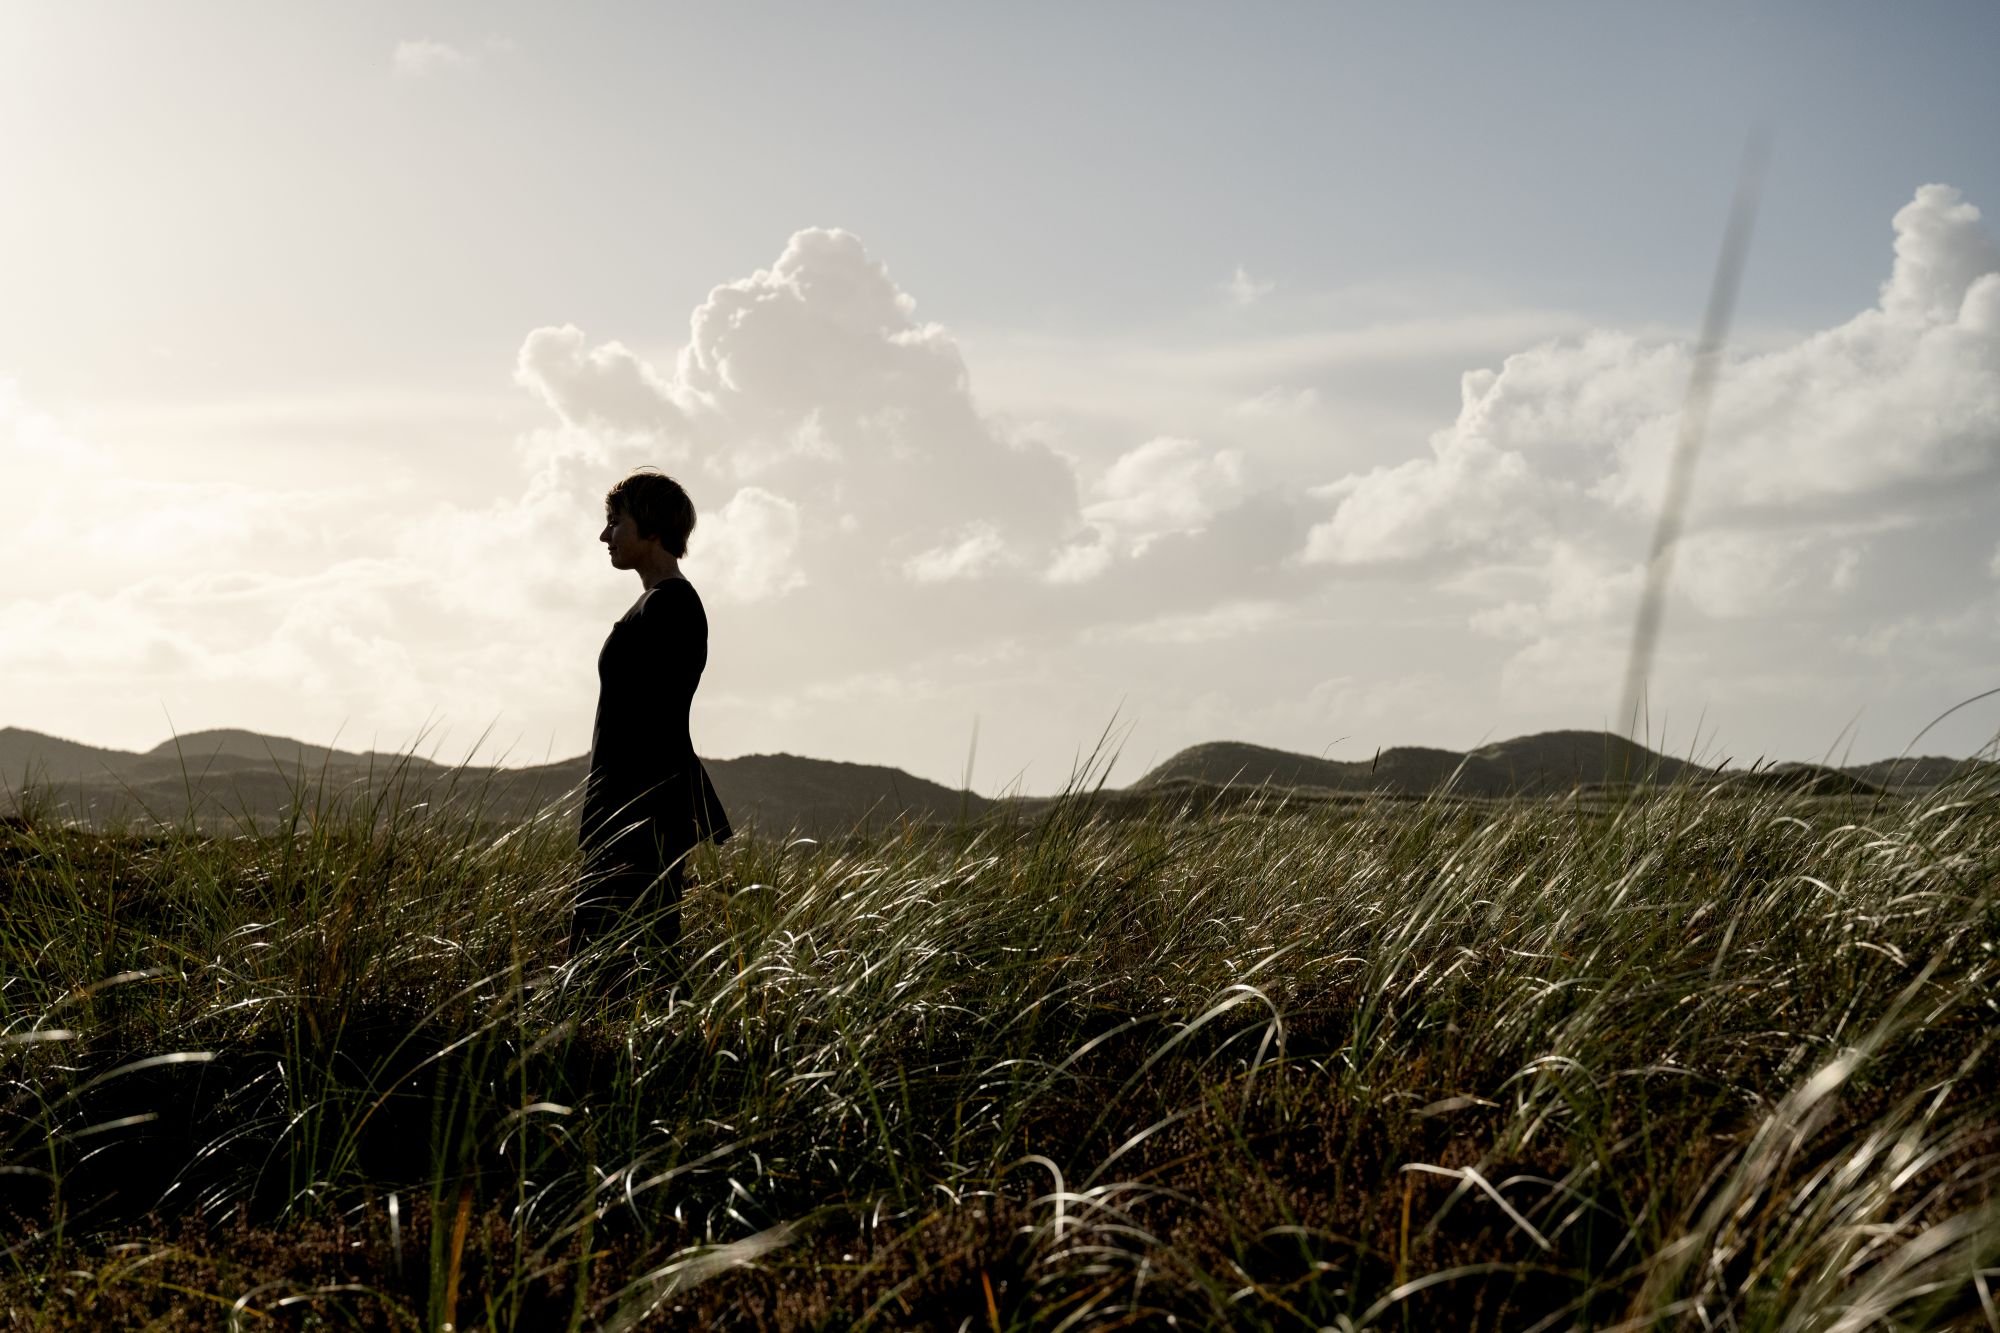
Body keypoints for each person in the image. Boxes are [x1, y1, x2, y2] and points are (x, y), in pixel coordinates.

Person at [570, 470, 732, 985]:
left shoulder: (672, 608)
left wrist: (632, 818)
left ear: (653, 530)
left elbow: (657, 724)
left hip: (640, 814)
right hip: (626, 810)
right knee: (612, 964)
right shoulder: (655, 605)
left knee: (627, 967)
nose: (605, 536)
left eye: (616, 523)